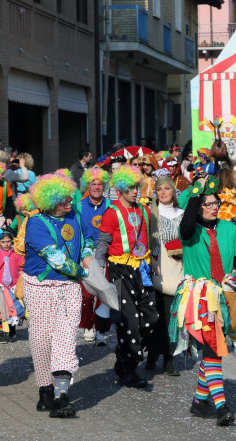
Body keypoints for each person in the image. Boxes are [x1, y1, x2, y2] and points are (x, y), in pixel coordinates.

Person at [172, 176, 236, 426]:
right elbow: (187, 226)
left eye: (216, 203)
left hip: (225, 296)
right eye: (209, 203)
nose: (215, 207)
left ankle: (200, 401)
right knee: (213, 350)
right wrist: (196, 192)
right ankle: (221, 405)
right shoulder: (190, 231)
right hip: (199, 297)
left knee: (213, 350)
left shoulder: (228, 229)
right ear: (197, 206)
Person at [23, 173, 93, 418]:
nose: (67, 201)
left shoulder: (75, 214)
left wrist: (87, 256)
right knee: (41, 341)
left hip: (70, 287)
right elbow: (55, 258)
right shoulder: (35, 224)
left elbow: (87, 240)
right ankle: (45, 390)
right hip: (40, 288)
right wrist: (85, 273)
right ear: (48, 199)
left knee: (65, 340)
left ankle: (62, 396)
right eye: (61, 198)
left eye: (68, 196)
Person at [95, 166, 158, 388]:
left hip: (142, 268)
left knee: (151, 317)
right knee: (128, 321)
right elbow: (102, 244)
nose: (135, 192)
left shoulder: (143, 211)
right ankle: (128, 369)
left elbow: (150, 239)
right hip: (120, 270)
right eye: (130, 188)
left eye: (137, 187)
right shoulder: (111, 213)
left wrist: (154, 262)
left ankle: (128, 356)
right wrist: (98, 275)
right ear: (121, 189)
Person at [146, 176, 184, 376]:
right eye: (159, 189)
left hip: (176, 269)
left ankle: (169, 359)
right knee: (154, 316)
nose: (163, 192)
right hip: (153, 269)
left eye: (167, 188)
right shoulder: (150, 213)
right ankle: (152, 354)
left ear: (173, 191)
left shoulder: (183, 214)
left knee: (171, 317)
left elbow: (189, 241)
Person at [75, 167, 111, 346]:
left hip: (106, 252)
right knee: (88, 293)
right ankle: (88, 325)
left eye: (100, 184)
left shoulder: (110, 205)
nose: (97, 187)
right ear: (87, 186)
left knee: (103, 290)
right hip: (86, 252)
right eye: (93, 183)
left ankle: (101, 328)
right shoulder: (79, 206)